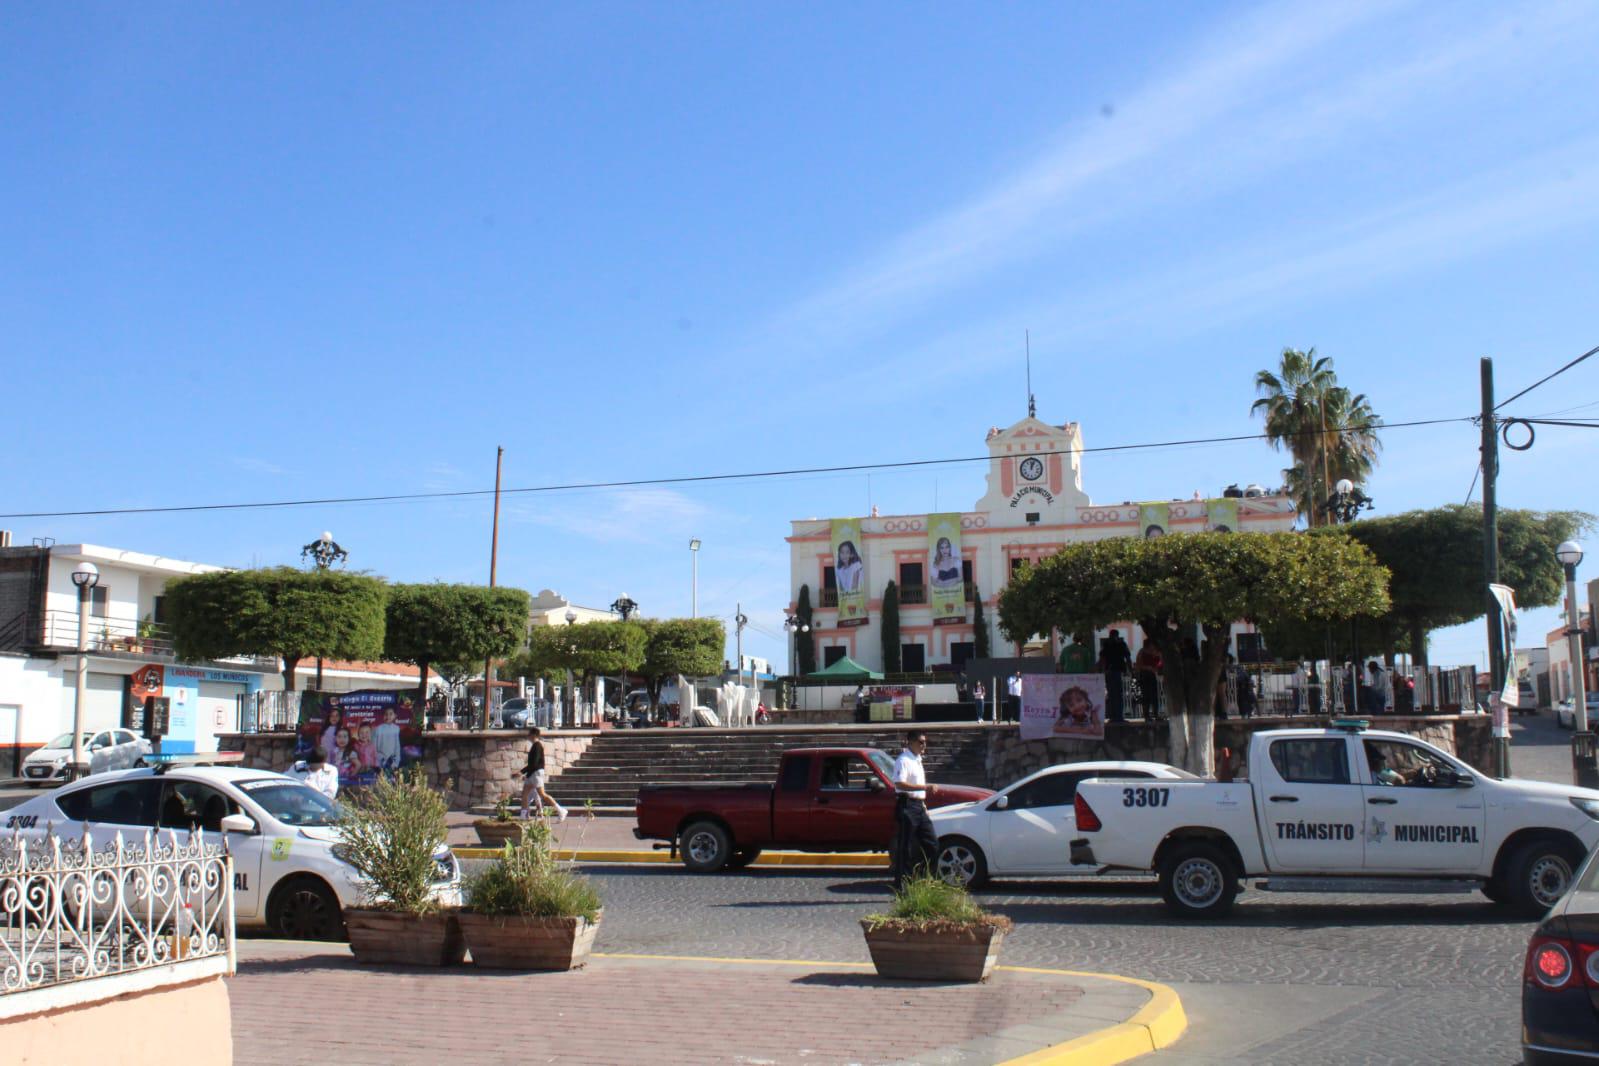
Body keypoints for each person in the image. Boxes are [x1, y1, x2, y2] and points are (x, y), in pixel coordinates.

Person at [890, 731, 937, 890]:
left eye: (925, 742)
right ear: (910, 742)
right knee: (906, 847)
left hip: (919, 806)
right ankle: (902, 883)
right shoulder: (903, 761)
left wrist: (923, 804)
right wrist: (925, 787)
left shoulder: (917, 760)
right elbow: (899, 784)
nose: (924, 745)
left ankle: (923, 877)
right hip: (907, 805)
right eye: (921, 742)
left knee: (932, 844)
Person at [518, 727, 567, 822]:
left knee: (542, 794)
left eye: (529, 734)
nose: (528, 736)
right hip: (532, 773)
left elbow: (534, 763)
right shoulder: (535, 746)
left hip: (536, 773)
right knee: (524, 794)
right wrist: (525, 773)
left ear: (533, 735)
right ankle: (524, 816)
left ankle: (561, 810)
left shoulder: (537, 746)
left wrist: (522, 772)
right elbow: (532, 764)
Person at [1099, 629, 1132, 722]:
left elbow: (1102, 659)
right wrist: (1130, 670)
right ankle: (1118, 717)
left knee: (1112, 694)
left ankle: (1113, 717)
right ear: (1117, 635)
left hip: (1110, 672)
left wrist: (1102, 670)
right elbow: (1128, 658)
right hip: (1117, 671)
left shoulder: (1106, 644)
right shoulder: (1121, 644)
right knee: (1118, 694)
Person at [1134, 639, 1162, 720]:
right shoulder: (1142, 652)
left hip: (1152, 675)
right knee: (1146, 695)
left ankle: (1156, 714)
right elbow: (1138, 664)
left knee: (1154, 695)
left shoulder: (1157, 652)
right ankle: (1147, 715)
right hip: (1144, 674)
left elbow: (1160, 662)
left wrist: (1156, 668)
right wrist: (1148, 668)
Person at [373, 706, 403, 770]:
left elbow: (397, 746)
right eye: (386, 714)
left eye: (390, 714)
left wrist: (396, 762)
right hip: (380, 761)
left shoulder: (396, 728)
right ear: (383, 716)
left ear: (395, 715)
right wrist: (381, 759)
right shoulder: (378, 729)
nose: (388, 716)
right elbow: (374, 747)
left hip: (393, 761)